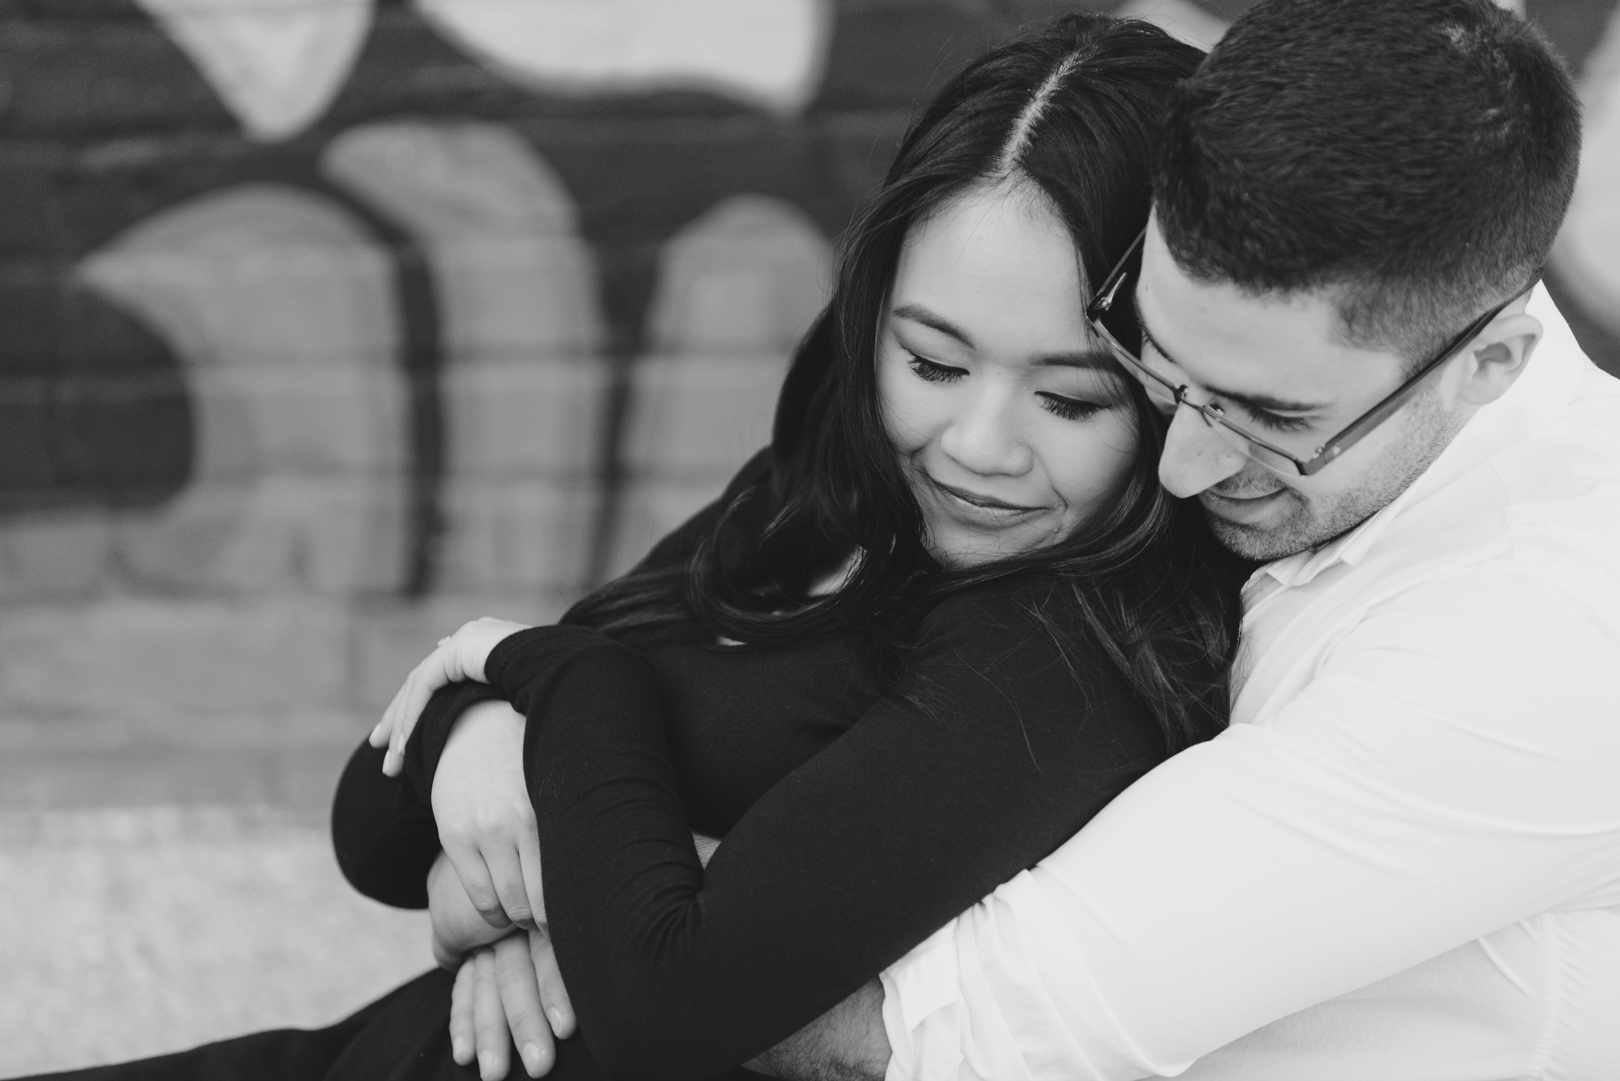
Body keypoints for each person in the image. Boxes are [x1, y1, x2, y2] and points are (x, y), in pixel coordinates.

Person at [24, 16, 1245, 1081]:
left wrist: (544, 684)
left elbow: (666, 1000)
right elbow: (378, 829)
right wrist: (493, 746)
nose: (977, 443)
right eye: (932, 360)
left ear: (1173, 387)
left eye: (1071, 399)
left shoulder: (1054, 664)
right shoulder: (832, 503)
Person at [790, 1, 1614, 1078]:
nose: (1182, 466)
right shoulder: (1317, 416)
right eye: (1153, 359)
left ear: (1488, 364)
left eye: (1271, 422)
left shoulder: (1546, 641)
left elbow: (953, 1029)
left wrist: (540, 896)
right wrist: (503, 703)